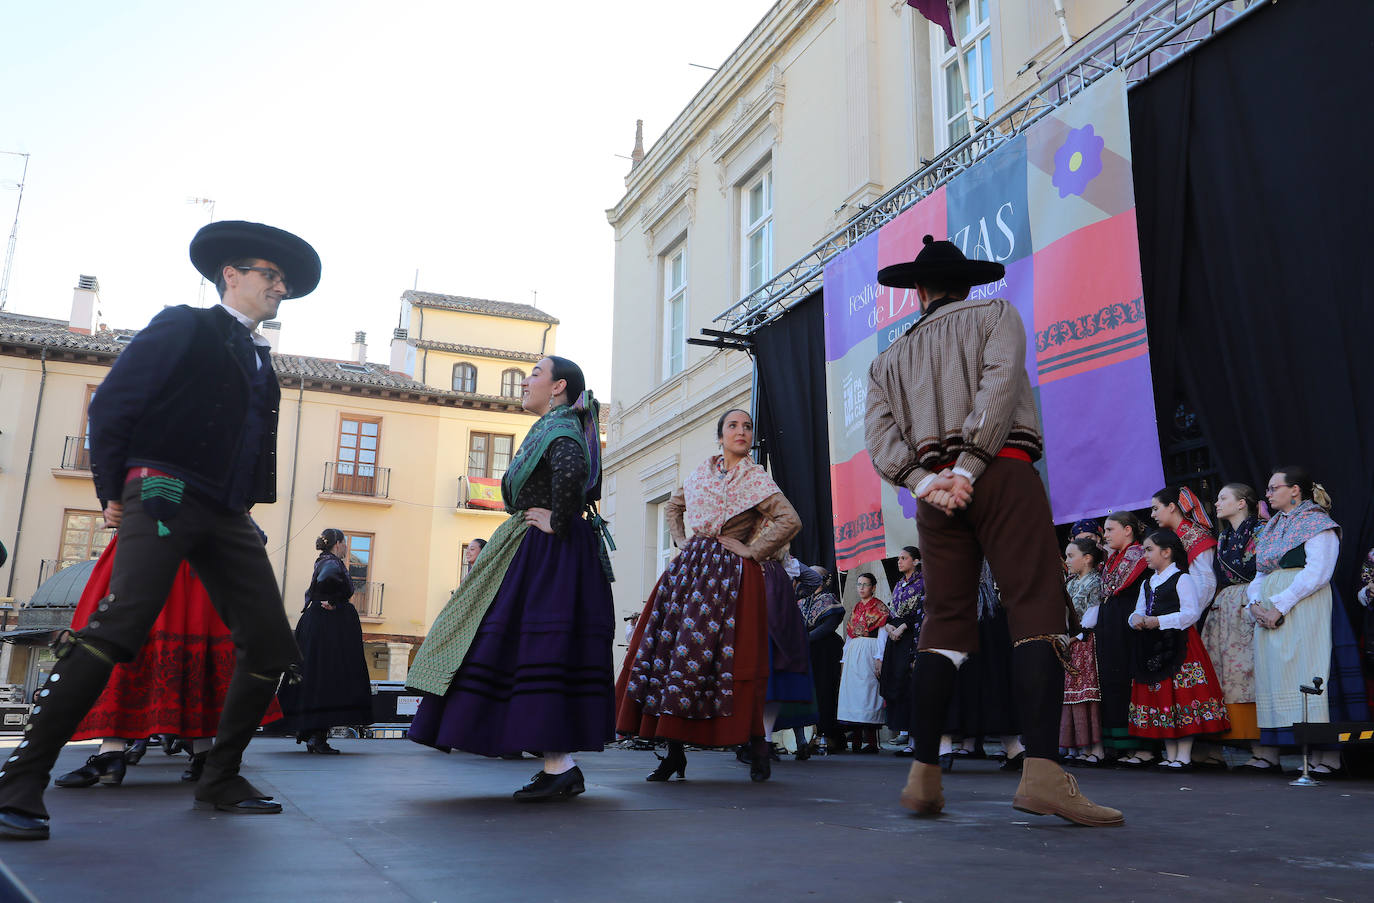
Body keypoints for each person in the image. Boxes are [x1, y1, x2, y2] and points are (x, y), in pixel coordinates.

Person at [0, 220, 319, 841]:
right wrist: (113, 491)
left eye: (283, 280)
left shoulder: (259, 359)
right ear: (231, 273)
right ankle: (19, 781)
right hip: (166, 487)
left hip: (225, 511)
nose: (280, 287)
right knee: (120, 625)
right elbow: (114, 403)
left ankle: (220, 776)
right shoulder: (184, 323)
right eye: (270, 274)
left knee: (272, 645)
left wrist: (243, 508)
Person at [865, 234, 1120, 826]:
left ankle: (924, 775)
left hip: (936, 498)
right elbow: (1000, 388)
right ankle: (1043, 776)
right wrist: (970, 466)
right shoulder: (996, 313)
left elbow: (879, 439)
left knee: (944, 623)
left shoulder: (886, 361)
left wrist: (929, 482)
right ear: (968, 285)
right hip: (1000, 471)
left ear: (919, 293)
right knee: (1035, 608)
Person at [407, 357, 615, 801]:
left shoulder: (561, 430)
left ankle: (560, 764)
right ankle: (556, 763)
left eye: (535, 374)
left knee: (535, 647)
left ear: (558, 386)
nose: (526, 381)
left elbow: (572, 472)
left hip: (546, 555)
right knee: (525, 649)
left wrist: (558, 521)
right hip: (537, 550)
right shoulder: (555, 427)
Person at [617, 408, 802, 783]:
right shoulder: (700, 473)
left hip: (734, 576)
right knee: (672, 655)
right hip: (689, 573)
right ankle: (672, 752)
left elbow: (790, 520)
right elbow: (673, 506)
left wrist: (754, 549)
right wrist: (682, 542)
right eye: (733, 426)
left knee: (736, 661)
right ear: (720, 436)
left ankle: (756, 744)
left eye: (748, 426)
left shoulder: (756, 479)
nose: (741, 431)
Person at [53, 536, 285, 789]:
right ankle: (201, 754)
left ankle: (113, 752)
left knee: (128, 634)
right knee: (163, 638)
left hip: (165, 541)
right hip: (191, 545)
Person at [1246, 466, 1368, 775]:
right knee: (1279, 675)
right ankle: (1298, 750)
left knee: (1313, 670)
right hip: (1273, 609)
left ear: (1295, 490)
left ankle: (1327, 756)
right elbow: (1261, 572)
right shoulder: (1273, 527)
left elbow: (1318, 573)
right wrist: (1256, 604)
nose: (1268, 493)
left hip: (1307, 607)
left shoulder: (1318, 524)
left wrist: (1281, 606)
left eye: (1274, 488)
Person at [1126, 530, 1230, 769]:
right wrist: (1135, 619)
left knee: (1181, 695)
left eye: (1149, 550)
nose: (1145, 555)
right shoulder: (1148, 582)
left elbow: (1191, 613)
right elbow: (1138, 610)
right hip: (1153, 645)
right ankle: (1170, 753)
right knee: (1162, 695)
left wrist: (1159, 621)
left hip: (1179, 643)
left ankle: (1183, 753)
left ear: (1166, 552)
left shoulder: (1182, 578)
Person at [276, 529, 373, 755]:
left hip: (318, 625)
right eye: (345, 543)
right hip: (328, 628)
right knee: (328, 677)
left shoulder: (323, 560)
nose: (347, 547)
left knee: (316, 676)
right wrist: (333, 599)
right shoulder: (331, 562)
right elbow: (326, 578)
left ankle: (311, 732)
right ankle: (317, 736)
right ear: (337, 544)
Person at [1201, 484, 1263, 764]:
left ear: (1241, 503)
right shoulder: (1224, 537)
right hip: (1225, 607)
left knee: (1250, 672)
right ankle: (1233, 738)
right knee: (1226, 674)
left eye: (1223, 497)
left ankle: (1264, 748)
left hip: (1249, 600)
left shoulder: (1260, 530)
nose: (1217, 503)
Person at [1095, 511, 1153, 765]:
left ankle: (1141, 747)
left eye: (1110, 530)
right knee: (1112, 682)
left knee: (1129, 680)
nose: (1105, 535)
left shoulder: (1140, 556)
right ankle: (1118, 745)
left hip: (1128, 628)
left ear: (1128, 530)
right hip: (1111, 628)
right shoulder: (1112, 559)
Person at [1061, 538, 1105, 766]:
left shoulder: (1095, 581)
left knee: (1086, 693)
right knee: (1069, 695)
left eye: (1071, 556)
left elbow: (1093, 614)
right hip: (1069, 642)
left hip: (1084, 643)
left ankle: (1095, 749)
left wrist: (1075, 636)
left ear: (1087, 558)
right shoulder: (1069, 583)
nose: (1067, 561)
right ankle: (1075, 747)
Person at [879, 547, 925, 757]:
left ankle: (916, 740)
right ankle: (905, 732)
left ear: (916, 561)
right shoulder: (898, 585)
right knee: (897, 683)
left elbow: (922, 612)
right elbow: (892, 611)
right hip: (895, 640)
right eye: (898, 558)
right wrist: (889, 626)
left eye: (903, 558)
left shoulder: (923, 583)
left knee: (911, 685)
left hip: (911, 638)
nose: (899, 562)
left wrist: (902, 627)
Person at [836, 573, 888, 753]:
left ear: (873, 587)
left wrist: (879, 657)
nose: (861, 588)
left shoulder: (880, 608)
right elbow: (850, 636)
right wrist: (844, 659)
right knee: (854, 695)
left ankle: (872, 741)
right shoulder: (856, 608)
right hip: (854, 654)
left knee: (869, 693)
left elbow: (882, 634)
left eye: (865, 585)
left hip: (870, 651)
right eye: (859, 584)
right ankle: (856, 740)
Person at [798, 566, 846, 754]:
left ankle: (828, 734)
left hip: (825, 650)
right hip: (806, 650)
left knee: (825, 691)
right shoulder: (802, 601)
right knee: (810, 692)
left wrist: (804, 639)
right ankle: (812, 733)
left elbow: (828, 627)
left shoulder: (830, 600)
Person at [1149, 486, 1218, 610]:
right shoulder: (1169, 537)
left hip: (1194, 611)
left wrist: (1188, 613)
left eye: (1155, 509)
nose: (1152, 515)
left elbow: (1206, 583)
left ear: (1171, 507)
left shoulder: (1196, 536)